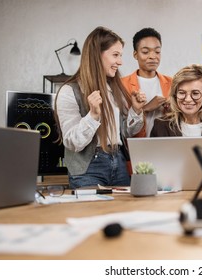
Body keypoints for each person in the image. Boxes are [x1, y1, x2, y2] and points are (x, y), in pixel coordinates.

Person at [54, 26, 147, 189]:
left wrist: (136, 110)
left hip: (118, 162)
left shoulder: (114, 89)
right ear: (97, 55)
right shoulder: (69, 91)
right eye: (115, 55)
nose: (120, 62)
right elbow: (72, 142)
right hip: (88, 169)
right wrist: (93, 115)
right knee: (92, 213)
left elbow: (125, 132)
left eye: (121, 55)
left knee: (123, 214)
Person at [150, 64, 202, 193]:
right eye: (182, 93)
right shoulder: (161, 125)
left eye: (195, 93)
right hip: (172, 195)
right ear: (175, 94)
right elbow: (153, 169)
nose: (188, 99)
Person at [122, 27, 172, 137]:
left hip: (166, 145)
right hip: (135, 148)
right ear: (135, 55)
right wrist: (146, 109)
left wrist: (172, 110)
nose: (153, 57)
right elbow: (122, 130)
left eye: (157, 51)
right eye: (145, 52)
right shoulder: (122, 85)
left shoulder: (173, 83)